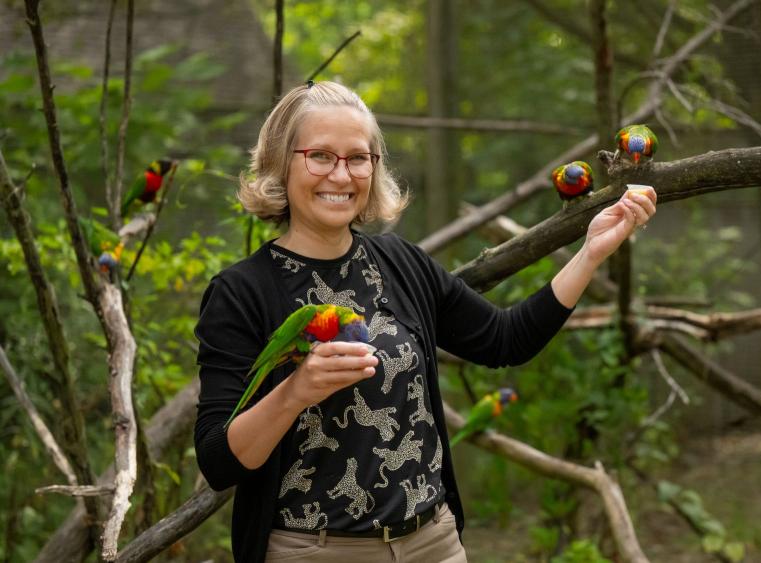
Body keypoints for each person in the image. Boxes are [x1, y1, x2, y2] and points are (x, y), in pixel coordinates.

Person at [194, 80, 657, 563]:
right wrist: (296, 391)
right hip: (316, 551)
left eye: (358, 158)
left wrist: (590, 251)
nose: (342, 175)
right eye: (320, 156)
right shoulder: (241, 292)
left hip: (433, 542)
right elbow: (218, 462)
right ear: (281, 164)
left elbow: (505, 341)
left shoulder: (400, 262)